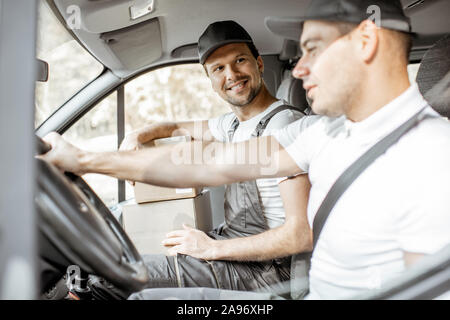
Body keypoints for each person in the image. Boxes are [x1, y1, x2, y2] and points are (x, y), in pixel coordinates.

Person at [40, 0, 450, 299]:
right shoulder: (322, 136)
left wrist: (213, 249)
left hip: (270, 282)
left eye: (313, 49)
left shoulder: (431, 157)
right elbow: (212, 163)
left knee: (118, 282)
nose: (300, 68)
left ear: (364, 42)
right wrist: (85, 159)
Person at [45, 21, 313, 293]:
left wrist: (212, 248)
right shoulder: (231, 124)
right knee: (128, 256)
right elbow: (176, 128)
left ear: (259, 64)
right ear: (210, 81)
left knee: (103, 280)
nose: (231, 74)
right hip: (236, 250)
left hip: (266, 271)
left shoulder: (284, 125)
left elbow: (299, 235)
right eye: (218, 68)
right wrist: (135, 136)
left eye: (240, 60)